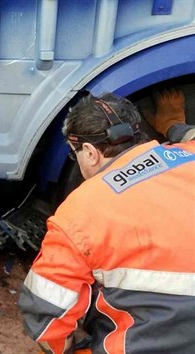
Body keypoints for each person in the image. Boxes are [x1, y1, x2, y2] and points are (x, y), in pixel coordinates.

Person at [18, 92, 195, 353]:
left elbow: (47, 319)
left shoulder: (80, 213)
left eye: (73, 154)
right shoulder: (188, 155)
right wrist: (173, 126)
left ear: (89, 152)